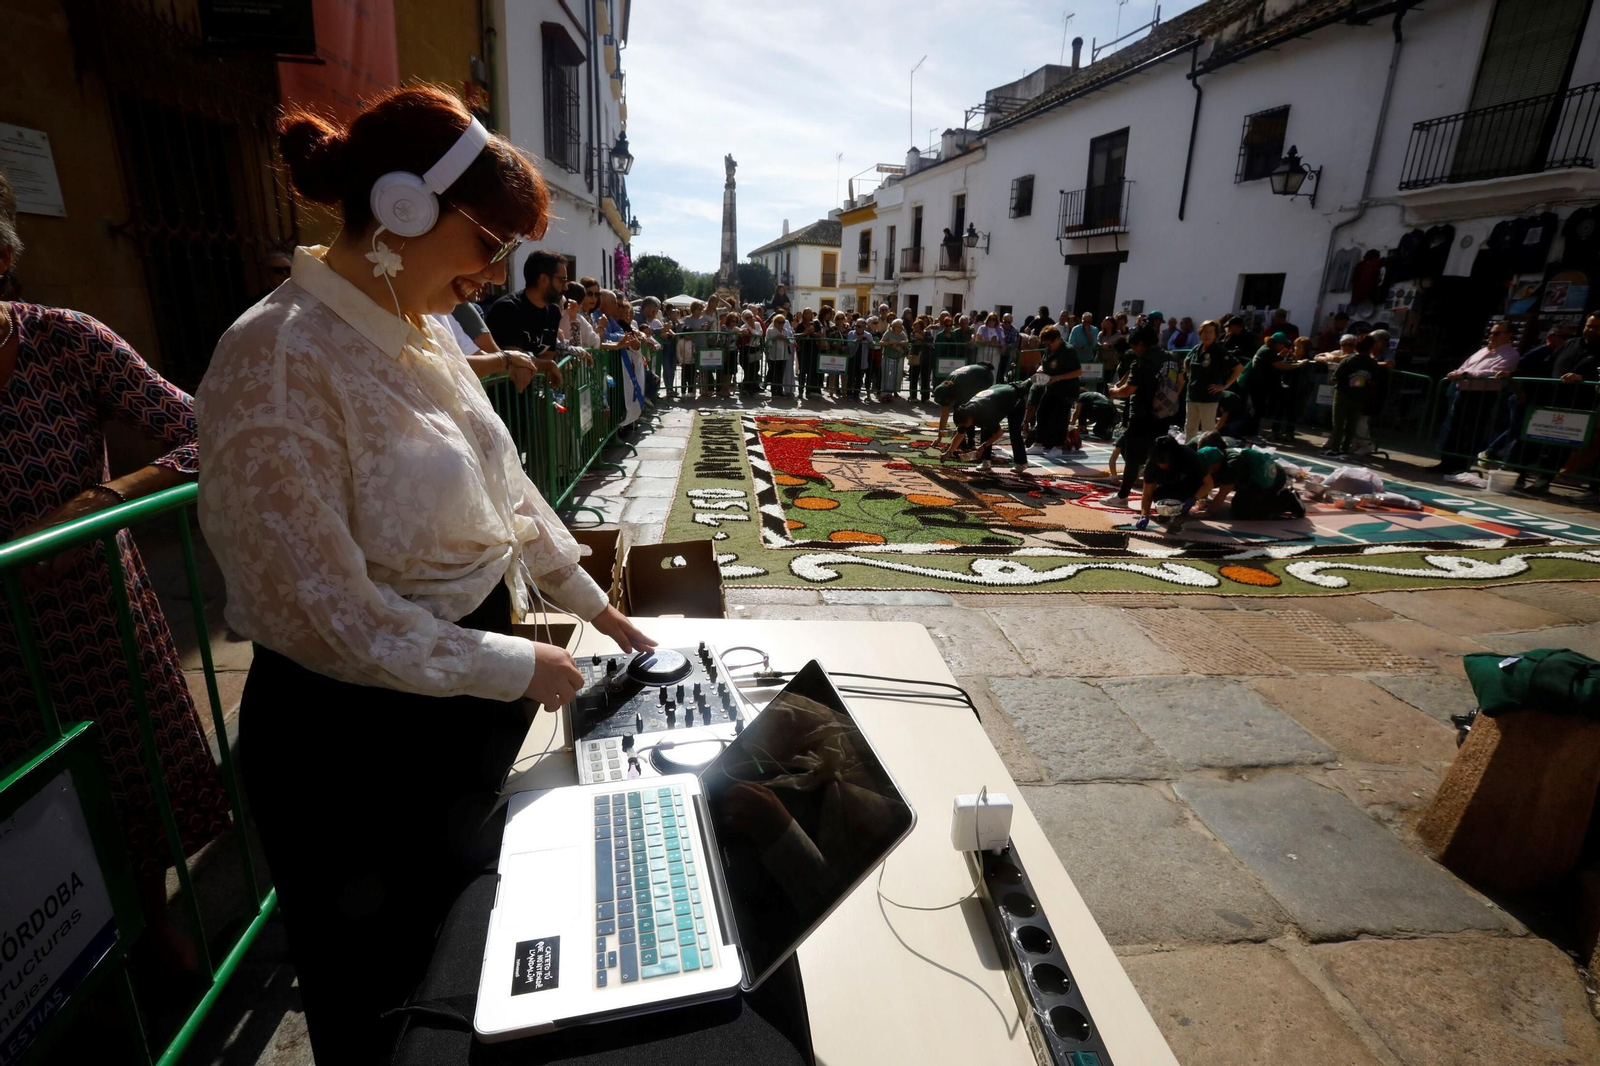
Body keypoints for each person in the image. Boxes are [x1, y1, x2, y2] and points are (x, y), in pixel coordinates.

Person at [196, 86, 655, 1064]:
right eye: (490, 244)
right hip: (354, 747)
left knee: (462, 972)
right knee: (382, 1006)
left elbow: (507, 485)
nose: (494, 276)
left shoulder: (422, 329)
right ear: (405, 208)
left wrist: (595, 606)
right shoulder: (273, 359)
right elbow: (321, 617)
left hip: (452, 707)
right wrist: (520, 668)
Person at [0, 171, 230, 976]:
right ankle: (68, 974)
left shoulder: (62, 340)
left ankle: (144, 927)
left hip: (100, 618)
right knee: (27, 808)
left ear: (3, 254)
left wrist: (95, 503)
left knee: (135, 779)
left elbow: (210, 434)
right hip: (4, 649)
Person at [1519, 314, 1600, 495]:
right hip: (1552, 401)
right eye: (1589, 325)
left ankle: (1546, 480)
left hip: (1578, 406)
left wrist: (1583, 378)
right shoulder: (1570, 344)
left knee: (1561, 444)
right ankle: (1524, 476)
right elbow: (1549, 364)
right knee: (1538, 439)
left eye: (1596, 327)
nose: (1591, 330)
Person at [1106, 327, 1184, 506]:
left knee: (1133, 458)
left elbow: (1128, 390)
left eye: (1134, 347)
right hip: (1164, 415)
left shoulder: (1141, 362)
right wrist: (1166, 401)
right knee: (1158, 455)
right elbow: (1180, 382)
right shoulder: (1172, 357)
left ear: (1141, 344)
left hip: (1142, 415)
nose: (1134, 350)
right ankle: (1160, 496)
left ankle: (1122, 496)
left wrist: (1113, 391)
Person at [1432, 321, 1519, 474]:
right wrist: (1457, 373)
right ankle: (1446, 462)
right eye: (1491, 332)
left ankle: (1461, 465)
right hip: (1463, 391)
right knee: (1454, 428)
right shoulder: (1482, 351)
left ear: (1509, 335)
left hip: (1483, 394)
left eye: (1497, 333)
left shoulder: (1511, 354)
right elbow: (1465, 366)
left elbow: (1494, 372)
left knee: (1471, 430)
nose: (1492, 336)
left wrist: (1466, 374)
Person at [485, 250, 568, 384]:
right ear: (543, 279)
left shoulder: (553, 311)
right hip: (500, 396)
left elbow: (547, 354)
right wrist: (548, 365)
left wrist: (545, 363)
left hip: (528, 393)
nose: (566, 287)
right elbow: (517, 360)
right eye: (562, 280)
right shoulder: (509, 308)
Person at [943, 379, 1030, 472]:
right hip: (999, 395)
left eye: (964, 424)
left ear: (969, 419)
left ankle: (1022, 462)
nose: (964, 427)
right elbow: (960, 432)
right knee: (985, 429)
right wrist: (949, 452)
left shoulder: (984, 414)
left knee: (1014, 431)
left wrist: (984, 446)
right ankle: (986, 461)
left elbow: (999, 433)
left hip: (1015, 398)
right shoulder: (966, 410)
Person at [1134, 438, 1220, 531]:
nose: (1161, 466)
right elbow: (1147, 493)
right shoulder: (1152, 464)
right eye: (1159, 463)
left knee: (1185, 499)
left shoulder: (1190, 456)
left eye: (1165, 462)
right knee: (1161, 497)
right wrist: (1144, 515)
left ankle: (1182, 515)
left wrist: (1193, 499)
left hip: (1189, 484)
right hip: (1167, 485)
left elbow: (1209, 484)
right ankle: (1166, 513)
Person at [1030, 324, 1083, 456]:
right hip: (1051, 387)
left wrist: (1058, 378)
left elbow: (1078, 372)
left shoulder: (1068, 351)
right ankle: (1038, 444)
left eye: (1050, 343)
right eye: (1046, 344)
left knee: (1061, 417)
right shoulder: (1049, 350)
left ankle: (1058, 447)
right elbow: (1045, 363)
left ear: (1058, 338)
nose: (1048, 346)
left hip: (1066, 389)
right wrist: (1041, 370)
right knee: (1042, 412)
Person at [1325, 334, 1380, 456]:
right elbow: (1374, 382)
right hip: (1360, 396)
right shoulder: (1373, 364)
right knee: (1351, 423)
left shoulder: (1349, 360)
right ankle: (1345, 448)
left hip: (1343, 394)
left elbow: (1336, 378)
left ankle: (1335, 449)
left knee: (1338, 423)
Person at [1182, 319, 1238, 438]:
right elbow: (1186, 361)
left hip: (1209, 396)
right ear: (1200, 334)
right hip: (1192, 394)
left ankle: (1206, 453)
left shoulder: (1219, 351)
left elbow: (1238, 368)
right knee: (1190, 427)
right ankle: (1189, 451)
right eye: (1205, 332)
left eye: (1211, 332)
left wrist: (1225, 386)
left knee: (1207, 429)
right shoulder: (1196, 349)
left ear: (1216, 334)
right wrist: (1189, 375)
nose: (1207, 335)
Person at [933, 361, 997, 440]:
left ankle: (974, 439)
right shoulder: (948, 385)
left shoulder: (962, 389)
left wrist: (960, 432)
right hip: (974, 375)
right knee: (960, 412)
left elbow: (967, 413)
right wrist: (940, 436)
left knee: (974, 409)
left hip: (984, 376)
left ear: (950, 396)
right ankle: (963, 439)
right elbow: (944, 412)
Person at [765, 312, 795, 397]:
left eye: (783, 322)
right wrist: (775, 339)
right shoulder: (770, 330)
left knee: (781, 373)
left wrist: (785, 339)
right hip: (774, 355)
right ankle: (774, 390)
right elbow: (767, 342)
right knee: (774, 373)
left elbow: (791, 341)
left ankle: (780, 390)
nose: (781, 324)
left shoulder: (785, 331)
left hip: (783, 355)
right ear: (775, 322)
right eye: (779, 322)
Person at [880, 317, 909, 401]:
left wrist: (898, 343)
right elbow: (881, 342)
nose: (902, 328)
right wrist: (889, 343)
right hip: (887, 356)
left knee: (893, 376)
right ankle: (884, 392)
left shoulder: (902, 333)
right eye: (900, 326)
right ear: (895, 327)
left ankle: (890, 392)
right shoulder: (888, 333)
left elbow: (906, 340)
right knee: (885, 375)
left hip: (897, 357)